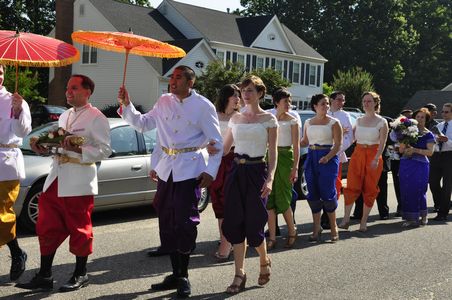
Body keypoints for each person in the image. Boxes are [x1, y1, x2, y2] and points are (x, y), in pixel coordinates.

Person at [117, 65, 223, 298]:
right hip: (166, 169)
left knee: (185, 223)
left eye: (178, 78)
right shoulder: (163, 101)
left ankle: (183, 275)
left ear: (190, 82)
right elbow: (144, 124)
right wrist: (127, 105)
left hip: (190, 169)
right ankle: (175, 273)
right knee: (167, 221)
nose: (172, 81)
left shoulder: (203, 106)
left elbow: (216, 142)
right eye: (171, 77)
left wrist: (211, 171)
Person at [17, 74, 112, 291]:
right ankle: (44, 275)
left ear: (87, 92)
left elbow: (105, 150)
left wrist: (78, 148)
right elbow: (58, 146)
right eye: (68, 88)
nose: (68, 92)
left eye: (74, 88)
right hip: (56, 177)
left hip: (79, 180)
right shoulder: (65, 116)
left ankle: (81, 274)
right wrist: (42, 147)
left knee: (80, 229)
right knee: (46, 226)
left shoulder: (97, 117)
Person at [222, 75, 277, 294]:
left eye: (250, 90)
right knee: (235, 222)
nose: (245, 94)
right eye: (243, 90)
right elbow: (225, 148)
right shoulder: (235, 118)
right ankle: (239, 273)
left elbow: (272, 152)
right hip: (236, 172)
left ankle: (264, 260)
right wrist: (206, 145)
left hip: (257, 171)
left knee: (254, 223)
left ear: (260, 93)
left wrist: (271, 178)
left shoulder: (268, 120)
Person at [339, 92, 388, 232]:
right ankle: (346, 219)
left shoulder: (381, 121)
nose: (366, 104)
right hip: (358, 154)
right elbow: (351, 137)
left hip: (373, 154)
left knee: (370, 188)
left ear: (375, 103)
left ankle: (363, 222)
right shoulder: (359, 120)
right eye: (364, 101)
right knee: (352, 185)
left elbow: (383, 143)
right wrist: (342, 134)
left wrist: (376, 158)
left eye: (369, 101)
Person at [0, 64, 32, 281]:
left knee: (2, 214)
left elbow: (23, 131)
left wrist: (19, 111)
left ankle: (16, 252)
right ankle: (16, 252)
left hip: (6, 162)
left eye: (0, 72)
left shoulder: (14, 100)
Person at [300, 94, 342, 242]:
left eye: (327, 104)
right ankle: (316, 227)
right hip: (312, 156)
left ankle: (333, 226)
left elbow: (337, 144)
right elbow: (304, 141)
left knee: (328, 192)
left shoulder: (334, 122)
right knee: (312, 192)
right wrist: (289, 141)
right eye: (322, 104)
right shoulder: (308, 123)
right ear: (315, 106)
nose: (326, 106)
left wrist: (328, 157)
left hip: (328, 158)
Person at [266, 88, 300, 250]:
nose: (288, 104)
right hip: (270, 157)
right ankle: (272, 237)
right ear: (276, 102)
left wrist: (296, 168)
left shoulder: (293, 120)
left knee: (285, 196)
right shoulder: (269, 119)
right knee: (269, 198)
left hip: (286, 157)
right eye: (285, 101)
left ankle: (292, 230)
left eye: (289, 101)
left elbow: (297, 146)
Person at [209, 84, 240, 260]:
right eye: (234, 95)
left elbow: (228, 147)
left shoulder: (240, 117)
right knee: (218, 202)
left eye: (238, 96)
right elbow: (206, 136)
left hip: (233, 160)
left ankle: (228, 243)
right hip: (215, 162)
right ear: (225, 97)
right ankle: (224, 240)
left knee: (230, 201)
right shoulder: (214, 114)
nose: (237, 99)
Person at [320, 91, 353, 229]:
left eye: (343, 100)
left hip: (336, 157)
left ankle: (328, 216)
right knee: (322, 186)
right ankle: (322, 214)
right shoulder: (323, 114)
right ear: (332, 100)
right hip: (321, 155)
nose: (342, 103)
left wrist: (334, 152)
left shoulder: (345, 116)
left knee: (335, 186)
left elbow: (349, 137)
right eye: (339, 100)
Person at [398, 108, 435, 227]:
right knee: (406, 190)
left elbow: (430, 152)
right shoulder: (406, 131)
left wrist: (415, 150)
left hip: (420, 165)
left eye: (422, 117)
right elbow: (401, 150)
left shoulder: (428, 134)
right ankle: (410, 218)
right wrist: (403, 146)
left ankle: (423, 215)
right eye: (418, 117)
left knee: (419, 190)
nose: (419, 119)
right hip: (406, 164)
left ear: (427, 119)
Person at [429, 103, 452, 221]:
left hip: (449, 156)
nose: (443, 114)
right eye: (442, 112)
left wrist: (447, 141)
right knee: (432, 182)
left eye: (446, 112)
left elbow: (448, 142)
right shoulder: (439, 125)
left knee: (447, 185)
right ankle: (443, 203)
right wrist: (435, 140)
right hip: (437, 155)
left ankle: (442, 212)